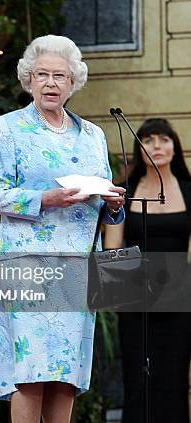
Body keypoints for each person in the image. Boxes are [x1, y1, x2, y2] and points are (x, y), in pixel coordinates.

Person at [0, 34, 126, 423]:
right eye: (42, 74)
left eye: (59, 76)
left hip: (78, 266)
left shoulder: (94, 135)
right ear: (28, 79)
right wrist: (45, 199)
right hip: (27, 263)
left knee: (66, 374)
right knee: (31, 373)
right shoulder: (7, 127)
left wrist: (114, 205)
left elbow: (107, 206)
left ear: (73, 82)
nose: (50, 83)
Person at [104, 118, 191, 423]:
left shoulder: (188, 190)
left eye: (164, 139)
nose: (157, 146)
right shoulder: (124, 191)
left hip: (181, 297)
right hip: (135, 296)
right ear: (139, 148)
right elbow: (112, 247)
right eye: (149, 140)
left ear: (175, 146)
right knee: (137, 379)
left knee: (174, 378)